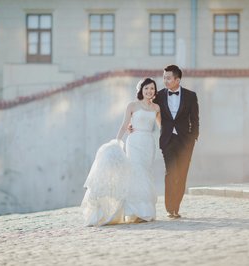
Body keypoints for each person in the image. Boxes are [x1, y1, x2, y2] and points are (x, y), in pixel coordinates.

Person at [81, 78, 161, 226]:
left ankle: (145, 211)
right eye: (146, 88)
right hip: (134, 141)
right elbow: (124, 125)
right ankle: (135, 212)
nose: (149, 91)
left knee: (146, 172)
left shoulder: (156, 108)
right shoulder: (132, 105)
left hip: (149, 143)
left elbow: (161, 126)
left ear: (155, 91)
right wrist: (117, 141)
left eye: (152, 89)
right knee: (136, 172)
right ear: (141, 90)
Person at [153, 64, 199, 219]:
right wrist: (133, 124)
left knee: (182, 174)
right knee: (171, 172)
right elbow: (145, 107)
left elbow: (195, 120)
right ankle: (169, 207)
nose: (165, 80)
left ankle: (176, 207)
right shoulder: (158, 95)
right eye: (164, 77)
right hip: (168, 139)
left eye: (168, 78)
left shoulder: (191, 96)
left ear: (177, 79)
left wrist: (193, 139)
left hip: (185, 141)